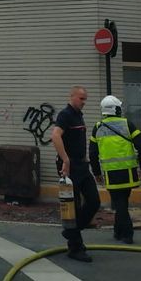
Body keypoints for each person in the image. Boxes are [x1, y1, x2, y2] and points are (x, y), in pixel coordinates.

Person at [91, 95, 141, 244]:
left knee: (119, 201)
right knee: (122, 201)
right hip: (128, 172)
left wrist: (96, 173)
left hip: (110, 173)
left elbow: (92, 153)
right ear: (116, 109)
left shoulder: (98, 127)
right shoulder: (127, 124)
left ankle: (121, 232)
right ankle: (125, 233)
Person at [50, 86, 98, 262]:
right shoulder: (66, 114)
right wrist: (66, 160)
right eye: (81, 98)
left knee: (94, 200)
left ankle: (72, 232)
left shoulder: (79, 115)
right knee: (73, 207)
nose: (84, 102)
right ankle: (75, 247)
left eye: (85, 99)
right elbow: (55, 135)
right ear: (72, 97)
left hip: (82, 166)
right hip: (70, 167)